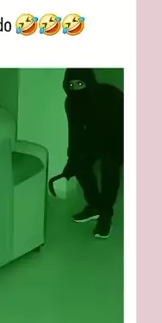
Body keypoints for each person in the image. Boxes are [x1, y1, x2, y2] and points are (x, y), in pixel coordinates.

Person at [59, 68, 123, 238]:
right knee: (79, 165)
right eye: (71, 85)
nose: (76, 88)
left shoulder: (111, 95)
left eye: (80, 83)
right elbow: (75, 131)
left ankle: (106, 214)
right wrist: (72, 159)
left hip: (117, 137)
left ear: (89, 82)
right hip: (94, 137)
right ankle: (95, 206)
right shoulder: (71, 102)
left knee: (110, 170)